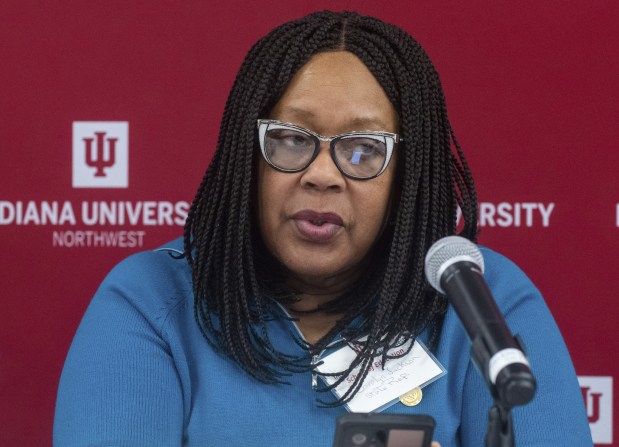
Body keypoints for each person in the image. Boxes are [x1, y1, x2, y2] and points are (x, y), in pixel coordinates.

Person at [53, 10, 592, 447]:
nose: (321, 175)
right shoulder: (150, 301)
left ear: (407, 176)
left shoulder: (480, 299)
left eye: (364, 150)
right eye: (291, 138)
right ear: (249, 157)